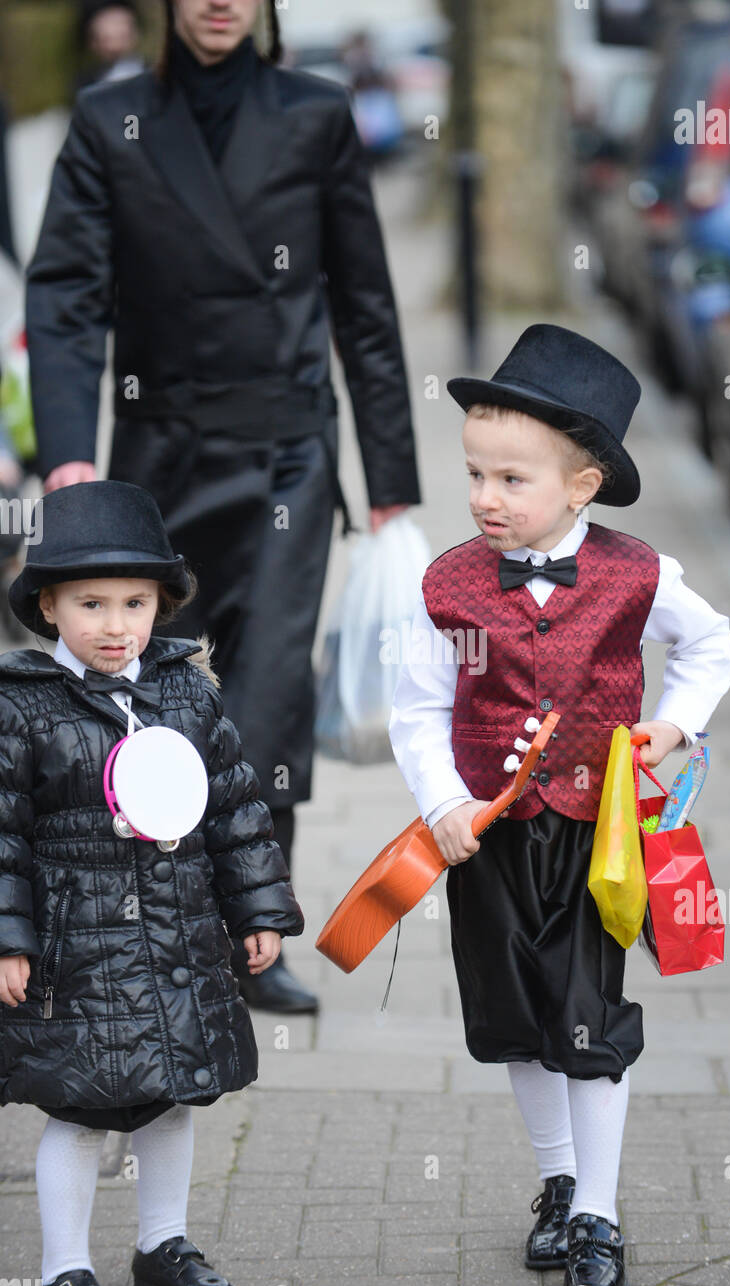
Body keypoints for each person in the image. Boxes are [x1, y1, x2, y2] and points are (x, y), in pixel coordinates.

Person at [25, 0, 421, 1014]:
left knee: (267, 699)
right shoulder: (110, 117)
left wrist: (390, 483)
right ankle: (156, 930)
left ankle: (253, 928)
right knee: (150, 700)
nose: (219, 1)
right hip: (158, 448)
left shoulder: (314, 113)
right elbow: (64, 291)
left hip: (288, 449)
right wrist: (68, 453)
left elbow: (365, 303)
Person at [388, 324, 730, 1286]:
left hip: (597, 835)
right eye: (474, 474)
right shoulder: (446, 584)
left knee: (586, 1017)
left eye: (511, 480)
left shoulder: (636, 574)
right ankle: (555, 1179)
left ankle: (597, 1211)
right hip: (488, 839)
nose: (484, 498)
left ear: (580, 485)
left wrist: (672, 723)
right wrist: (444, 802)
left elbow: (709, 644)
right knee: (512, 1018)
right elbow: (415, 709)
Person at [0, 480, 304, 1286]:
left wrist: (258, 910)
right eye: (90, 603)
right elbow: (2, 837)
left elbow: (236, 807)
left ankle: (163, 1245)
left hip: (177, 936)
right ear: (50, 607)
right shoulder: (22, 706)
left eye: (134, 603)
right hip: (76, 946)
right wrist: (9, 938)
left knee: (173, 1094)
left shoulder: (184, 690)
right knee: (78, 1105)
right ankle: (66, 1265)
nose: (114, 624)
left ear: (161, 604)